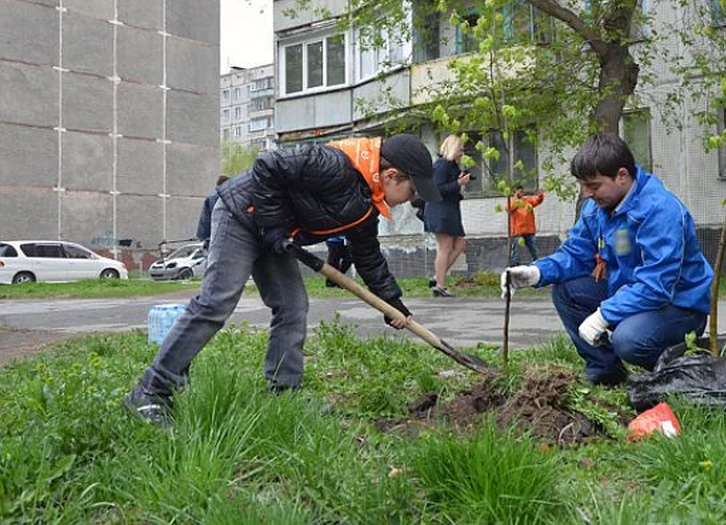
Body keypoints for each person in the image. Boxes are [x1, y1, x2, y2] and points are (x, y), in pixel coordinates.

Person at [125, 134, 441, 425]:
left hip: (274, 233)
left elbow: (368, 255)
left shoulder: (366, 204)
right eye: (411, 190)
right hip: (241, 215)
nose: (410, 200)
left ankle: (284, 393)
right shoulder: (334, 165)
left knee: (293, 305)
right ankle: (151, 390)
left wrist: (392, 304)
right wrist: (274, 225)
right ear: (389, 175)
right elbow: (268, 164)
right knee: (216, 302)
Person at [501, 134, 714, 386]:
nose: (587, 194)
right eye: (583, 186)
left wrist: (604, 314)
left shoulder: (660, 210)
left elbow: (657, 286)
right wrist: (536, 272)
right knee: (567, 291)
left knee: (629, 339)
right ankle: (606, 370)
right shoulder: (598, 208)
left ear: (622, 176)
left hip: (679, 306)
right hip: (629, 293)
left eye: (593, 186)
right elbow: (575, 254)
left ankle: (677, 372)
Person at [424, 134, 470, 297]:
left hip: (449, 209)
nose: (462, 153)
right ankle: (440, 286)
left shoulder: (451, 166)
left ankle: (438, 277)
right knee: (445, 247)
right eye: (460, 149)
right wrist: (458, 183)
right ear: (453, 148)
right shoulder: (442, 165)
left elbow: (449, 185)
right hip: (440, 209)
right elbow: (437, 189)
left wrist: (459, 180)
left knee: (460, 244)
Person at [508, 184, 544, 265]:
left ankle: (537, 264)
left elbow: (537, 201)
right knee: (516, 251)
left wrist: (540, 195)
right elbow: (508, 208)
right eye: (520, 191)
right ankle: (513, 265)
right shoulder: (513, 202)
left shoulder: (527, 200)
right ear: (515, 192)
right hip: (518, 231)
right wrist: (516, 200)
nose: (522, 193)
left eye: (522, 191)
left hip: (529, 230)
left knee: (534, 250)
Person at [196, 175, 230, 249]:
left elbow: (205, 220)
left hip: (214, 239)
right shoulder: (234, 194)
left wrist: (203, 238)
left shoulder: (211, 197)